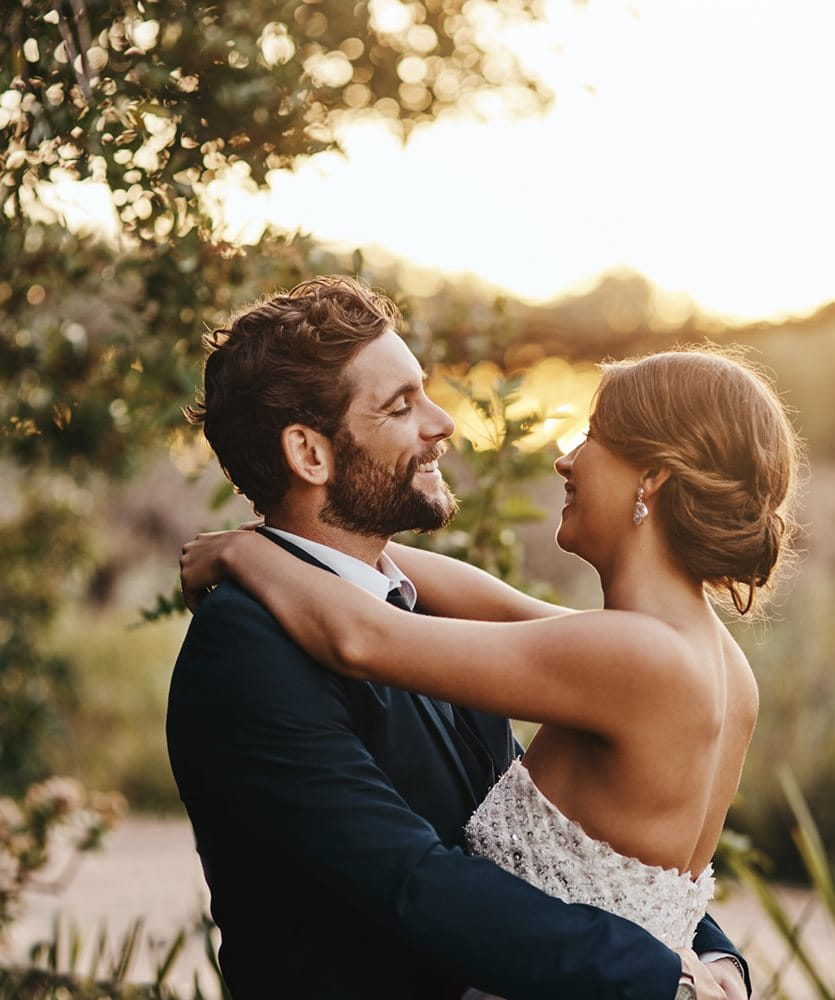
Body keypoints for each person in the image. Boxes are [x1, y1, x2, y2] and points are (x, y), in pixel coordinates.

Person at [168, 274, 756, 1000]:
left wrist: (707, 961)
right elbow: (415, 880)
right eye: (401, 405)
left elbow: (578, 838)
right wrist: (669, 978)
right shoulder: (246, 650)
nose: (444, 422)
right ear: (310, 454)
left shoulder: (440, 625)